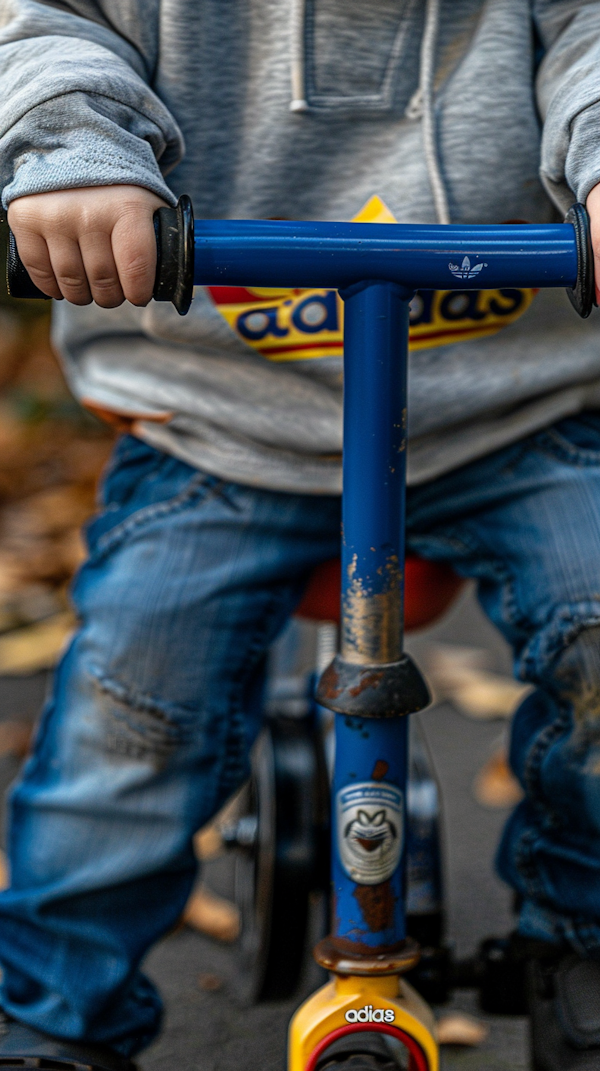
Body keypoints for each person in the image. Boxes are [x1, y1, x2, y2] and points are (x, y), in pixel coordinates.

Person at [0, 2, 600, 1068]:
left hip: (506, 412)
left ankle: (583, 948)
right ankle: (57, 1014)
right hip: (223, 420)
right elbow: (50, 20)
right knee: (128, 710)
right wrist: (71, 147)